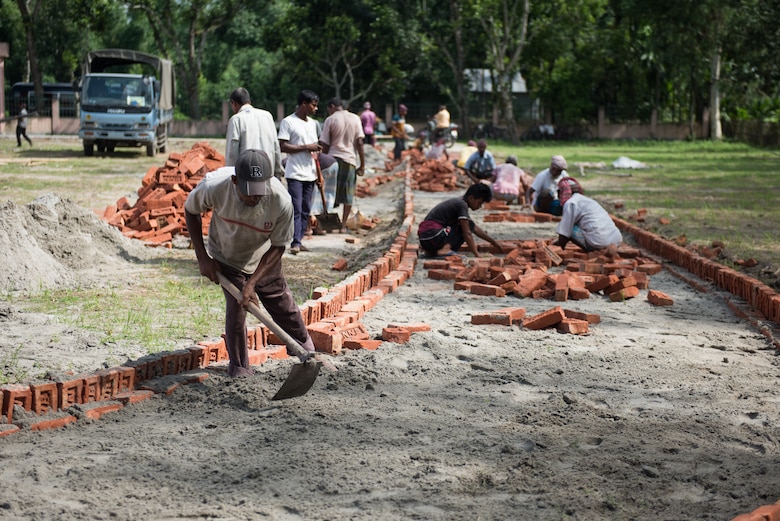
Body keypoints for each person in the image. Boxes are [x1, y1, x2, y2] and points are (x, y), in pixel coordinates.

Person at [184, 149, 316, 377]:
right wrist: (202, 257)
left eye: (259, 192)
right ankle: (240, 368)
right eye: (249, 193)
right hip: (227, 255)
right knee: (236, 311)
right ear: (235, 181)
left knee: (282, 304)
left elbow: (278, 245)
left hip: (264, 257)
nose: (255, 198)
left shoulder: (280, 200)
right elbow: (190, 210)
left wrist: (252, 283)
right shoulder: (214, 186)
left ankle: (306, 349)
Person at [278, 90, 322, 254]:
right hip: (295, 173)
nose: (315, 108)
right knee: (296, 208)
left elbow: (315, 151)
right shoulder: (288, 122)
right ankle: (294, 242)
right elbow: (283, 146)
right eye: (313, 105)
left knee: (305, 208)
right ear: (303, 104)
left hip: (310, 172)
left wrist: (318, 173)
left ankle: (300, 239)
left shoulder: (313, 124)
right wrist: (306, 147)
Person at [417, 183, 502, 259]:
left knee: (468, 224)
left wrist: (493, 242)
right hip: (433, 235)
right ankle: (445, 250)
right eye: (479, 203)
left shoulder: (459, 203)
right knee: (464, 228)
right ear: (471, 198)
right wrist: (477, 254)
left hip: (427, 239)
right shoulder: (461, 204)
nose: (479, 206)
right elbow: (467, 233)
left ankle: (433, 252)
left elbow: (475, 228)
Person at [319, 97, 365, 233]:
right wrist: (362, 164)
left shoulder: (331, 119)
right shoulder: (355, 118)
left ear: (332, 106)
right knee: (348, 194)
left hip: (332, 160)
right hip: (349, 160)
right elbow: (360, 143)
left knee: (327, 191)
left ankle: (325, 223)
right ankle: (343, 225)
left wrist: (322, 161)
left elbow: (325, 144)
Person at [224, 88, 283, 178]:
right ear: (249, 101)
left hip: (247, 175)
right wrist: (278, 171)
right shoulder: (267, 116)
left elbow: (232, 152)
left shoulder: (236, 119)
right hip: (267, 172)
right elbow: (276, 146)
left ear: (233, 103)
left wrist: (231, 174)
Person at [553, 177, 623, 252]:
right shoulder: (587, 200)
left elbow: (565, 231)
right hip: (616, 240)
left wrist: (558, 247)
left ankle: (595, 250)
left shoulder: (571, 203)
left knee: (568, 226)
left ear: (561, 191)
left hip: (599, 243)